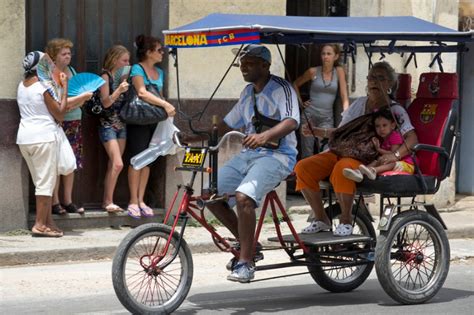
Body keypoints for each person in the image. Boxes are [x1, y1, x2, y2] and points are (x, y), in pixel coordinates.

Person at [205, 44, 300, 283]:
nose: (243, 67)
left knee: (243, 198)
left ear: (265, 65)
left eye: (249, 63)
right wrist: (196, 134)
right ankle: (251, 245)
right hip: (249, 155)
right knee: (210, 194)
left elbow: (291, 121)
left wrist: (264, 136)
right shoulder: (247, 92)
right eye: (242, 63)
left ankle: (246, 262)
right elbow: (228, 123)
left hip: (279, 157)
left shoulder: (282, 88)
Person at [294, 61, 417, 236]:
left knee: (342, 168)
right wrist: (318, 131)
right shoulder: (360, 103)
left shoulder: (395, 110)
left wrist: (395, 155)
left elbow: (412, 138)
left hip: (365, 156)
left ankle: (345, 221)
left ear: (390, 83)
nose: (374, 82)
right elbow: (341, 131)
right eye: (371, 78)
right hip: (342, 149)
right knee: (303, 167)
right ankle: (321, 218)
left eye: (380, 78)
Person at [16, 51, 68, 237]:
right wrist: (65, 86)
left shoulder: (22, 86)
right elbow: (60, 113)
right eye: (46, 62)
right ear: (40, 67)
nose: (50, 64)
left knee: (41, 181)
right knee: (45, 183)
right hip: (43, 138)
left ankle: (48, 222)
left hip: (25, 138)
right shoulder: (42, 87)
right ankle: (39, 225)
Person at [126, 34, 176, 219]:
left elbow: (160, 95)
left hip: (155, 120)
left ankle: (141, 200)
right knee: (137, 158)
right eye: (158, 50)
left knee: (149, 159)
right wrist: (165, 105)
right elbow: (142, 92)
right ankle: (132, 200)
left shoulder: (160, 72)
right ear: (148, 52)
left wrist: (166, 111)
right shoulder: (137, 69)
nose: (162, 52)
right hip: (139, 120)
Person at [45, 38, 93, 215]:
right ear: (53, 56)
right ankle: (55, 202)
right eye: (63, 54)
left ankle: (68, 200)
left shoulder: (72, 71)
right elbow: (58, 102)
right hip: (58, 122)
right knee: (56, 162)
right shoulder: (51, 74)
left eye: (69, 53)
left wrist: (76, 102)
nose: (68, 57)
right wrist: (79, 99)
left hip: (75, 120)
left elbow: (73, 100)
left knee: (71, 161)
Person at [293, 44, 349, 158]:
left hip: (327, 117)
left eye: (329, 54)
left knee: (326, 151)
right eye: (323, 54)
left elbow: (344, 95)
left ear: (336, 56)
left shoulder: (339, 71)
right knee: (307, 152)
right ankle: (305, 175)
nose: (325, 57)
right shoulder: (313, 71)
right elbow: (295, 84)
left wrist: (347, 116)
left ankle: (323, 176)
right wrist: (301, 102)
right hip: (309, 115)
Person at [342, 108, 415, 182]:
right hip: (395, 162)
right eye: (378, 126)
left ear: (393, 125)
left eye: (384, 125)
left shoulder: (395, 136)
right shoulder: (384, 139)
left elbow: (393, 154)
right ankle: (359, 172)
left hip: (407, 164)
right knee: (376, 160)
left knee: (390, 163)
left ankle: (373, 171)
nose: (381, 129)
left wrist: (379, 149)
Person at [98, 45, 130, 213]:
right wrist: (119, 90)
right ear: (115, 59)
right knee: (118, 164)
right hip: (108, 125)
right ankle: (108, 201)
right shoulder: (105, 76)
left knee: (113, 164)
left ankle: (107, 201)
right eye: (124, 60)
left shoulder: (123, 77)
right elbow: (106, 102)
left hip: (121, 124)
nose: (127, 63)